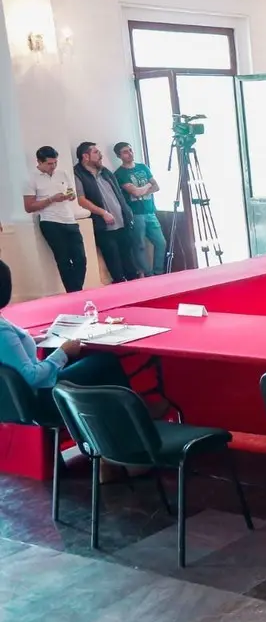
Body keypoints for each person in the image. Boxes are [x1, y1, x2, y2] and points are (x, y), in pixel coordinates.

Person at [0, 259, 131, 420]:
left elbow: (10, 353)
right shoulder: (2, 330)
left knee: (84, 358)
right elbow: (31, 377)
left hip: (22, 398)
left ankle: (114, 419)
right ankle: (133, 416)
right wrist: (63, 352)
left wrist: (35, 340)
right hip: (42, 398)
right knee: (104, 361)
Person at [73, 141, 138, 284]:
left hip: (122, 222)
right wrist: (103, 212)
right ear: (85, 156)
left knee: (129, 261)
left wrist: (127, 212)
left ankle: (136, 288)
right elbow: (81, 199)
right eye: (96, 152)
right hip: (103, 226)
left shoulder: (105, 172)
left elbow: (118, 195)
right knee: (114, 262)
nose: (100, 155)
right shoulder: (78, 174)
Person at [25, 146, 87, 293]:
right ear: (39, 162)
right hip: (50, 222)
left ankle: (76, 290)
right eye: (49, 164)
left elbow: (71, 192)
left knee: (80, 259)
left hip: (69, 220)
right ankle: (74, 292)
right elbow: (29, 207)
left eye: (55, 163)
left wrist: (70, 195)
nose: (53, 166)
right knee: (64, 260)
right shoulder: (30, 178)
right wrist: (51, 199)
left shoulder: (62, 174)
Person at [113, 142, 167, 278]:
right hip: (135, 214)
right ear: (119, 155)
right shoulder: (120, 173)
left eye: (131, 150)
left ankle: (158, 272)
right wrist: (148, 185)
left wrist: (143, 188)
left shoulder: (143, 167)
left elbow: (157, 187)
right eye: (125, 151)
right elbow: (135, 193)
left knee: (161, 242)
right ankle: (148, 275)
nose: (130, 153)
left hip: (150, 211)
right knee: (139, 245)